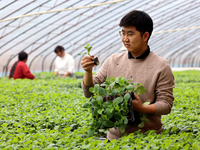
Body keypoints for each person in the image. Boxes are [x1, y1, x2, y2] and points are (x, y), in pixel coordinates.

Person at [81, 10, 175, 140]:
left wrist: (142, 108)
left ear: (145, 36)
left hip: (147, 139)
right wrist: (88, 72)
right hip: (114, 137)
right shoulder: (113, 61)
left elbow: (166, 104)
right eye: (123, 33)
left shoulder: (161, 66)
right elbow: (89, 93)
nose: (125, 39)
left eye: (130, 34)